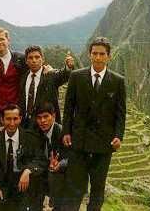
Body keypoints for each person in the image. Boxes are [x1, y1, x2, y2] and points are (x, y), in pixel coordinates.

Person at [62, 37, 126, 211]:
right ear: (89, 55)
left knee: (97, 189)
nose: (98, 57)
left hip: (103, 144)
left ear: (108, 56)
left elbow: (121, 114)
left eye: (102, 54)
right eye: (95, 53)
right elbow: (68, 108)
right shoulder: (76, 77)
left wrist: (118, 136)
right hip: (79, 141)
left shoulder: (117, 81)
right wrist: (66, 132)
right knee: (75, 187)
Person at [0, 103, 47, 211]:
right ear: (2, 120)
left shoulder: (30, 138)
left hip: (23, 186)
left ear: (20, 119)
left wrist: (28, 170)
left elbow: (41, 160)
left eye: (15, 119)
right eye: (8, 119)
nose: (12, 123)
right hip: (2, 185)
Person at [19, 45, 74, 128]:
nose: (34, 60)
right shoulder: (23, 77)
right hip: (25, 124)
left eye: (37, 57)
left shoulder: (50, 75)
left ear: (43, 59)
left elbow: (63, 75)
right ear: (26, 61)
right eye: (30, 58)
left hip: (46, 124)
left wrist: (68, 67)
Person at [34, 102, 69, 211]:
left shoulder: (62, 133)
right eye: (39, 118)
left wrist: (60, 164)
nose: (42, 121)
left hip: (61, 173)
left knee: (54, 174)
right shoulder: (36, 132)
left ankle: (56, 206)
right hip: (43, 168)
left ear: (53, 116)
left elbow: (72, 157)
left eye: (46, 117)